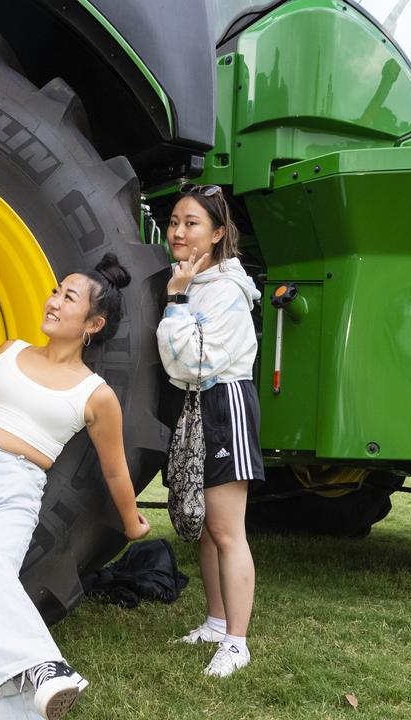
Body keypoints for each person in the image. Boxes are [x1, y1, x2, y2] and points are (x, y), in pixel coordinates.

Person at [0, 253, 150, 720]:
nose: (54, 301)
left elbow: (116, 469)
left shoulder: (95, 394)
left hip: (17, 489)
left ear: (94, 323)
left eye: (69, 297)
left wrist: (131, 521)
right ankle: (44, 665)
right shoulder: (8, 352)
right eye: (56, 291)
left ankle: (29, 695)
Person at [157, 184, 263, 678]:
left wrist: (176, 301)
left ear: (218, 233)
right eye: (175, 220)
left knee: (226, 530)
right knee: (205, 529)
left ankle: (237, 643)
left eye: (192, 223)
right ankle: (217, 623)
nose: (179, 231)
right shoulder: (195, 282)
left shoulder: (222, 290)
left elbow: (195, 361)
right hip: (200, 403)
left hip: (224, 403)